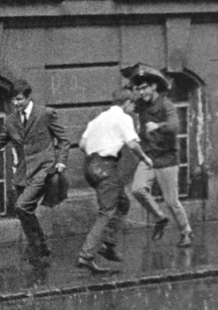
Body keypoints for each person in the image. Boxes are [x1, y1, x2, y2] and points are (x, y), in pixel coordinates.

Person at [0, 80, 70, 263]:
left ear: (29, 97)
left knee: (21, 206)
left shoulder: (45, 114)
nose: (16, 103)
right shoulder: (10, 120)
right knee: (24, 211)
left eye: (20, 99)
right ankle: (40, 248)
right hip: (23, 173)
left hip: (44, 169)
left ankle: (37, 247)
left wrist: (60, 163)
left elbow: (63, 141)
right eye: (13, 100)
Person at [76, 91, 150, 274]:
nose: (134, 108)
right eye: (133, 104)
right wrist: (145, 159)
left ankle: (108, 244)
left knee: (123, 203)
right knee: (107, 212)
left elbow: (81, 144)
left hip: (90, 166)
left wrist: (99, 147)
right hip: (106, 167)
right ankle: (86, 256)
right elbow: (133, 145)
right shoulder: (123, 118)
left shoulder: (99, 119)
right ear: (126, 102)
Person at [126, 69, 193, 247]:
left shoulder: (166, 105)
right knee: (138, 189)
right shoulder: (141, 103)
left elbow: (174, 126)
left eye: (144, 88)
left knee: (172, 201)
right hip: (148, 157)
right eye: (138, 89)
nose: (141, 92)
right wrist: (127, 103)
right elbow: (128, 104)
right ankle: (160, 217)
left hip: (166, 159)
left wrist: (158, 125)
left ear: (154, 86)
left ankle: (186, 232)